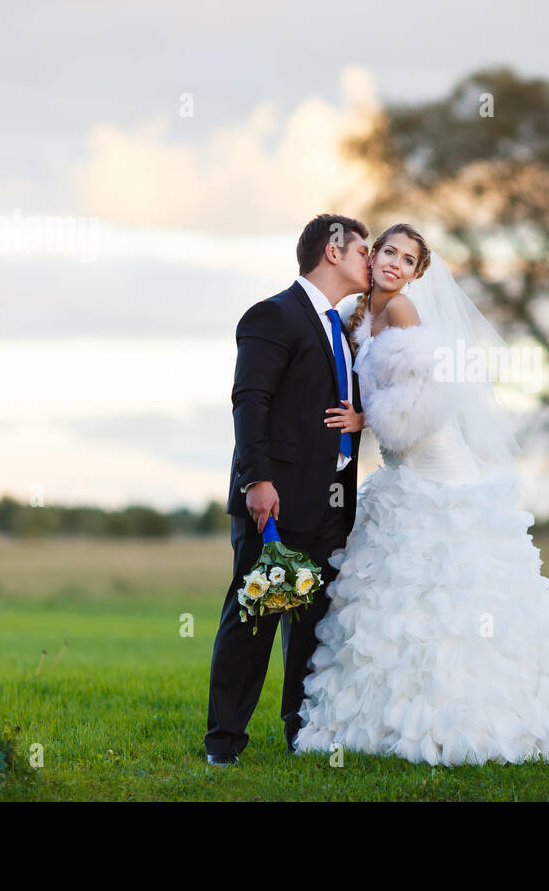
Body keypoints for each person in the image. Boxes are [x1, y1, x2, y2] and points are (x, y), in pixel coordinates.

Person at [294, 223, 549, 766]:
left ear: (420, 272)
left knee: (451, 582)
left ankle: (473, 707)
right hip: (400, 474)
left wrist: (362, 419)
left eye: (408, 259)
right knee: (399, 590)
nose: (395, 263)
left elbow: (424, 404)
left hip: (437, 467)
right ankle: (386, 712)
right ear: (371, 258)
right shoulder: (356, 316)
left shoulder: (402, 313)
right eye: (388, 252)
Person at [203, 213, 370, 765]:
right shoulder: (272, 315)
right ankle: (223, 743)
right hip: (276, 501)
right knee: (256, 620)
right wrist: (257, 480)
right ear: (333, 250)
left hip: (333, 505)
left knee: (311, 626)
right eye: (363, 250)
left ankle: (301, 731)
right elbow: (250, 400)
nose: (370, 260)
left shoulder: (342, 328)